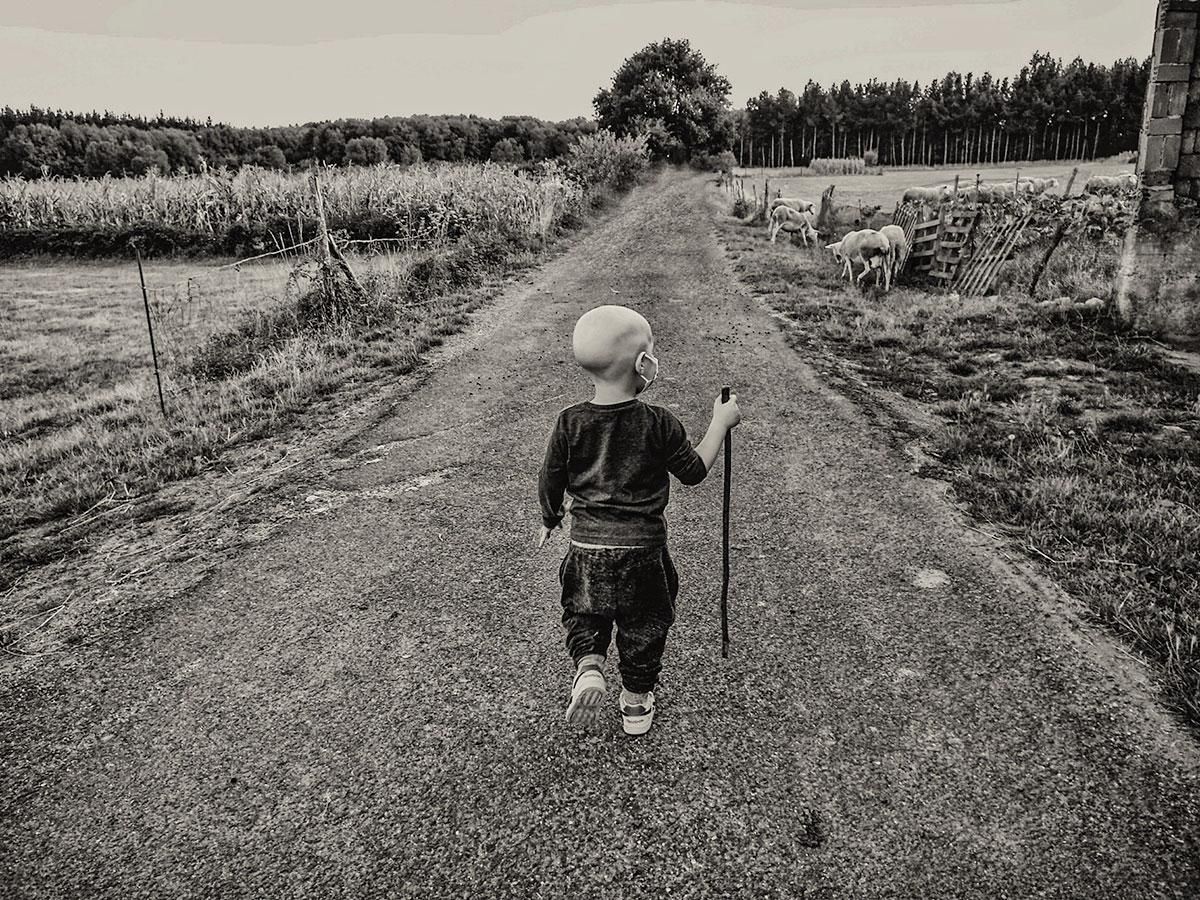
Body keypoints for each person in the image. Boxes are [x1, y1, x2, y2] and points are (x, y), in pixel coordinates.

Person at [537, 304, 741, 735]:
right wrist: (720, 423)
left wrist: (550, 517)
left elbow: (551, 478)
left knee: (583, 612)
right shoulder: (656, 422)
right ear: (642, 364)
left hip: (586, 547)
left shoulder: (569, 422)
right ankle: (635, 702)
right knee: (645, 625)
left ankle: (590, 665)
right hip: (643, 552)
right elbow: (694, 471)